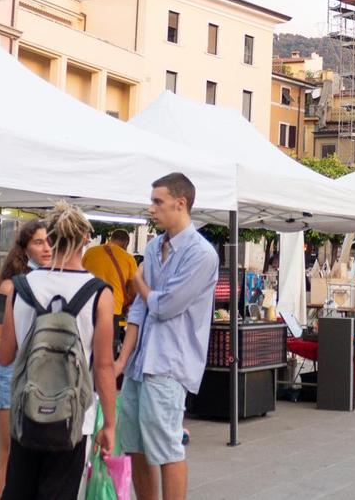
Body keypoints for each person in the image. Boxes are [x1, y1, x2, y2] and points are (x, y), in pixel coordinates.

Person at [0, 202, 116, 500]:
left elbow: (4, 356)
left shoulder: (19, 287)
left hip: (27, 413)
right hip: (73, 420)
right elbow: (103, 366)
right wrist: (110, 424)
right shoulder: (99, 293)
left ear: (49, 239)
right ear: (84, 239)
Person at [115, 173, 219, 500]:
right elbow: (140, 311)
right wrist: (121, 361)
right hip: (139, 363)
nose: (152, 208)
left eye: (158, 201)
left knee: (166, 446)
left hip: (170, 363)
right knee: (134, 444)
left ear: (181, 202)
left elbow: (164, 306)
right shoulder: (154, 245)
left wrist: (138, 280)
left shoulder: (202, 254)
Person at [0, 219, 52, 500]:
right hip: (9, 379)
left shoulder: (48, 282)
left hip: (36, 382)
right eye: (38, 242)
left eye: (50, 241)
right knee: (8, 453)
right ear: (24, 250)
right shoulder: (10, 287)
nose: (47, 248)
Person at [82, 228, 139, 344]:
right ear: (126, 243)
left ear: (111, 239)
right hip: (113, 308)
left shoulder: (90, 252)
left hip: (87, 305)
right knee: (108, 347)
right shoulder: (129, 259)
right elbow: (134, 288)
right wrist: (128, 305)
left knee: (85, 344)